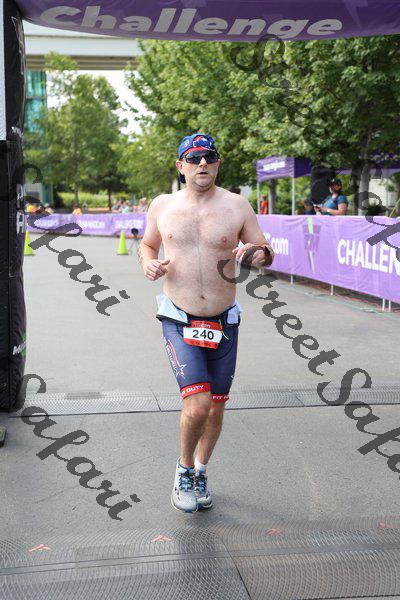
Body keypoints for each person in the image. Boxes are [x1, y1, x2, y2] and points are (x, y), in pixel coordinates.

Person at [138, 133, 275, 513]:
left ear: (217, 164)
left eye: (209, 157)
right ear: (180, 165)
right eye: (194, 157)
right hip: (178, 317)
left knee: (215, 407)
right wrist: (147, 262)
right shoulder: (162, 205)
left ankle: (200, 470)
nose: (202, 163)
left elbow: (265, 252)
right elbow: (147, 245)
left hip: (223, 320)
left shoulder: (237, 205)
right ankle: (183, 470)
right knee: (197, 405)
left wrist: (257, 255)